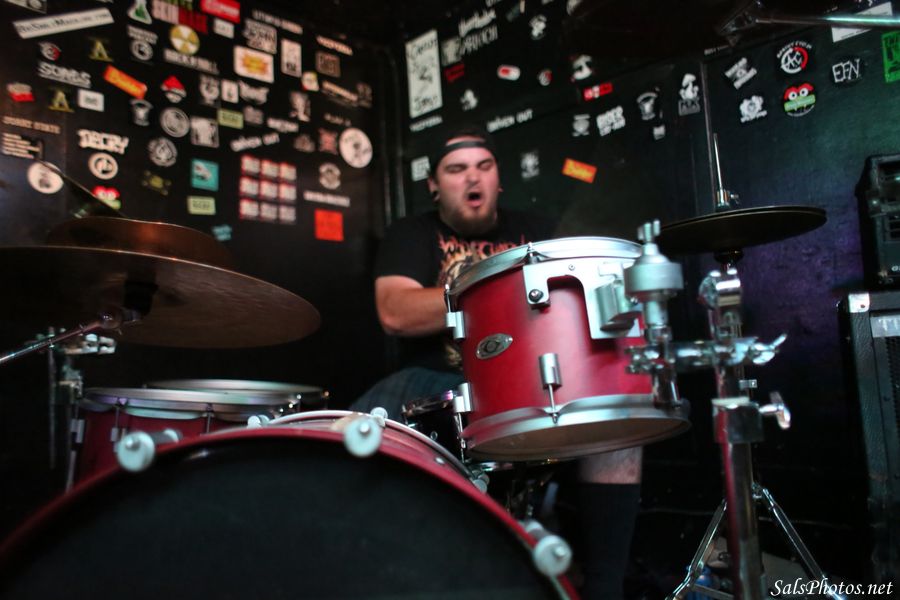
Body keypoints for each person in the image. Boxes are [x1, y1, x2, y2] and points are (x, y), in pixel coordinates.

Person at [351, 124, 641, 599]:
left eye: (483, 166)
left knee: (615, 417)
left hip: (534, 381)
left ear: (498, 179)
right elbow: (395, 312)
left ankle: (606, 591)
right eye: (456, 169)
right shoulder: (412, 233)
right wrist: (489, 291)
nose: (472, 177)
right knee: (352, 428)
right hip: (439, 382)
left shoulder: (538, 229)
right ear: (434, 185)